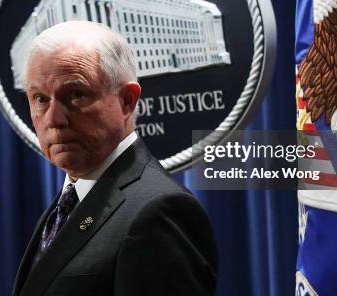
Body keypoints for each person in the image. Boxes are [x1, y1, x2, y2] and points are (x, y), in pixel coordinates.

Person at [13, 21, 218, 296]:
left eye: (75, 95)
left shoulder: (160, 211)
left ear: (127, 101)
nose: (54, 119)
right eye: (40, 99)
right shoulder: (70, 201)